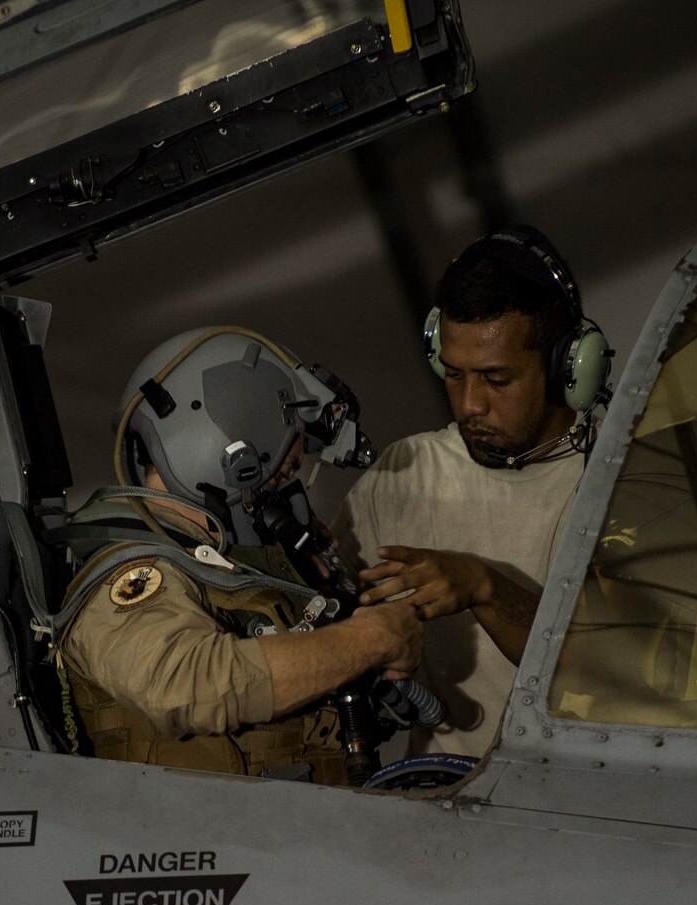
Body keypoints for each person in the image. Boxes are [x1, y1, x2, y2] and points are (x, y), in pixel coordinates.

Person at [51, 327, 422, 782]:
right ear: (231, 458)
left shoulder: (213, 564)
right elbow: (184, 686)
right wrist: (368, 641)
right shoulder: (132, 574)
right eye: (281, 472)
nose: (289, 492)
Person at [331, 226, 611, 757]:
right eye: (454, 375)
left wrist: (483, 584)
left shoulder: (622, 483)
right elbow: (321, 607)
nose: (469, 406)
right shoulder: (408, 473)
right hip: (440, 803)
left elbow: (601, 674)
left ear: (567, 368)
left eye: (497, 380)